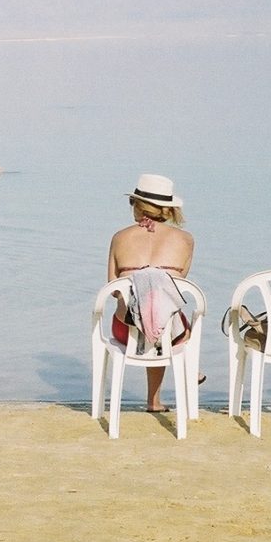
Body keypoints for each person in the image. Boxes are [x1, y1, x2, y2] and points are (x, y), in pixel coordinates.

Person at [106, 173, 196, 414]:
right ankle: (155, 400)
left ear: (138, 205)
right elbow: (178, 288)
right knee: (163, 312)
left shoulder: (119, 237)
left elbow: (113, 289)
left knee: (147, 310)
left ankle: (154, 400)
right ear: (167, 209)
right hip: (169, 333)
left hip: (126, 329)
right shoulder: (186, 240)